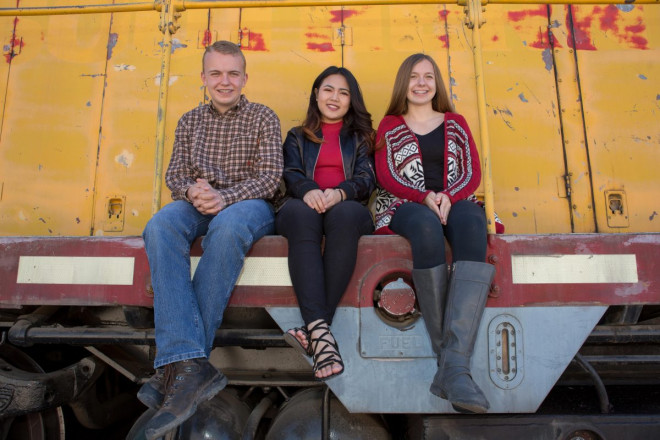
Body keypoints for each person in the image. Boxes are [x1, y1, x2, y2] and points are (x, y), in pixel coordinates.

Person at [139, 41, 283, 439]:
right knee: (160, 225)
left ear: (244, 77)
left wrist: (225, 197)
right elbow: (175, 176)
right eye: (216, 73)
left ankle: (175, 368)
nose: (225, 81)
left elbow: (271, 179)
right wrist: (193, 193)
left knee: (229, 226)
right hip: (199, 201)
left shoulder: (262, 117)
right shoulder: (189, 121)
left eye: (233, 73)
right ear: (203, 79)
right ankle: (190, 367)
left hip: (250, 204)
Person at [372, 53, 503, 414]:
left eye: (429, 77)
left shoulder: (455, 122)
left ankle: (452, 367)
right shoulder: (389, 124)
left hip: (453, 197)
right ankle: (454, 368)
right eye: (414, 76)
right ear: (404, 83)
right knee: (427, 228)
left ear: (437, 84)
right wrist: (425, 197)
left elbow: (472, 172)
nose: (421, 83)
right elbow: (387, 176)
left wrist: (448, 196)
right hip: (404, 203)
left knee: (472, 221)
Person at [276, 66, 375, 380]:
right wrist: (311, 192)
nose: (335, 98)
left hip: (346, 207)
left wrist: (339, 193)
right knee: (301, 214)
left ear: (351, 101)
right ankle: (322, 336)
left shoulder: (360, 138)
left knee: (344, 215)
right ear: (316, 94)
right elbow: (290, 174)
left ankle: (314, 331)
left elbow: (367, 178)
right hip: (302, 205)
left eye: (344, 93)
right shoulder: (296, 136)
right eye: (328, 89)